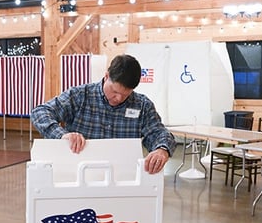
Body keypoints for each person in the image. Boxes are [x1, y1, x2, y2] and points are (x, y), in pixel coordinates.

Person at [30, 54, 176, 174]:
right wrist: (62, 135)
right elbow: (40, 112)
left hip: (123, 178)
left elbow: (159, 133)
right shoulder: (80, 95)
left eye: (125, 94)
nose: (118, 98)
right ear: (106, 76)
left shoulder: (142, 105)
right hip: (78, 175)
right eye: (114, 91)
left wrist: (162, 150)